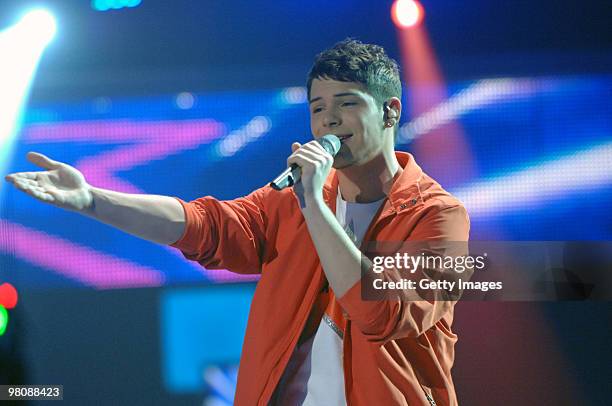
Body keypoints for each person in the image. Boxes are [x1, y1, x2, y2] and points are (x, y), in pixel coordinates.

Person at [5, 39, 469, 405]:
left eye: (346, 104)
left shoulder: (437, 216)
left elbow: (382, 313)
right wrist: (92, 199)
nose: (328, 120)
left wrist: (315, 207)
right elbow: (204, 224)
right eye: (317, 107)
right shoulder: (290, 201)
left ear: (391, 111)